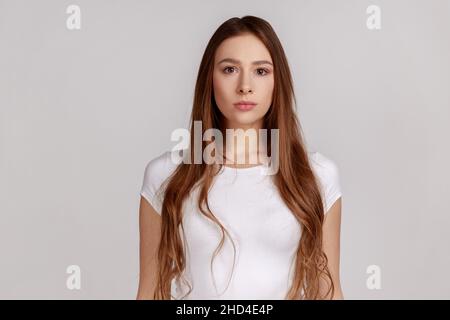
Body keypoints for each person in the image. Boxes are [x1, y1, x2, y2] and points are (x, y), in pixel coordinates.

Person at [136, 16, 343, 300]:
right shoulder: (166, 174)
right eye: (230, 69)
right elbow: (149, 292)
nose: (245, 85)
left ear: (276, 81)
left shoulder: (317, 175)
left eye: (260, 71)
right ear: (210, 79)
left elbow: (328, 293)